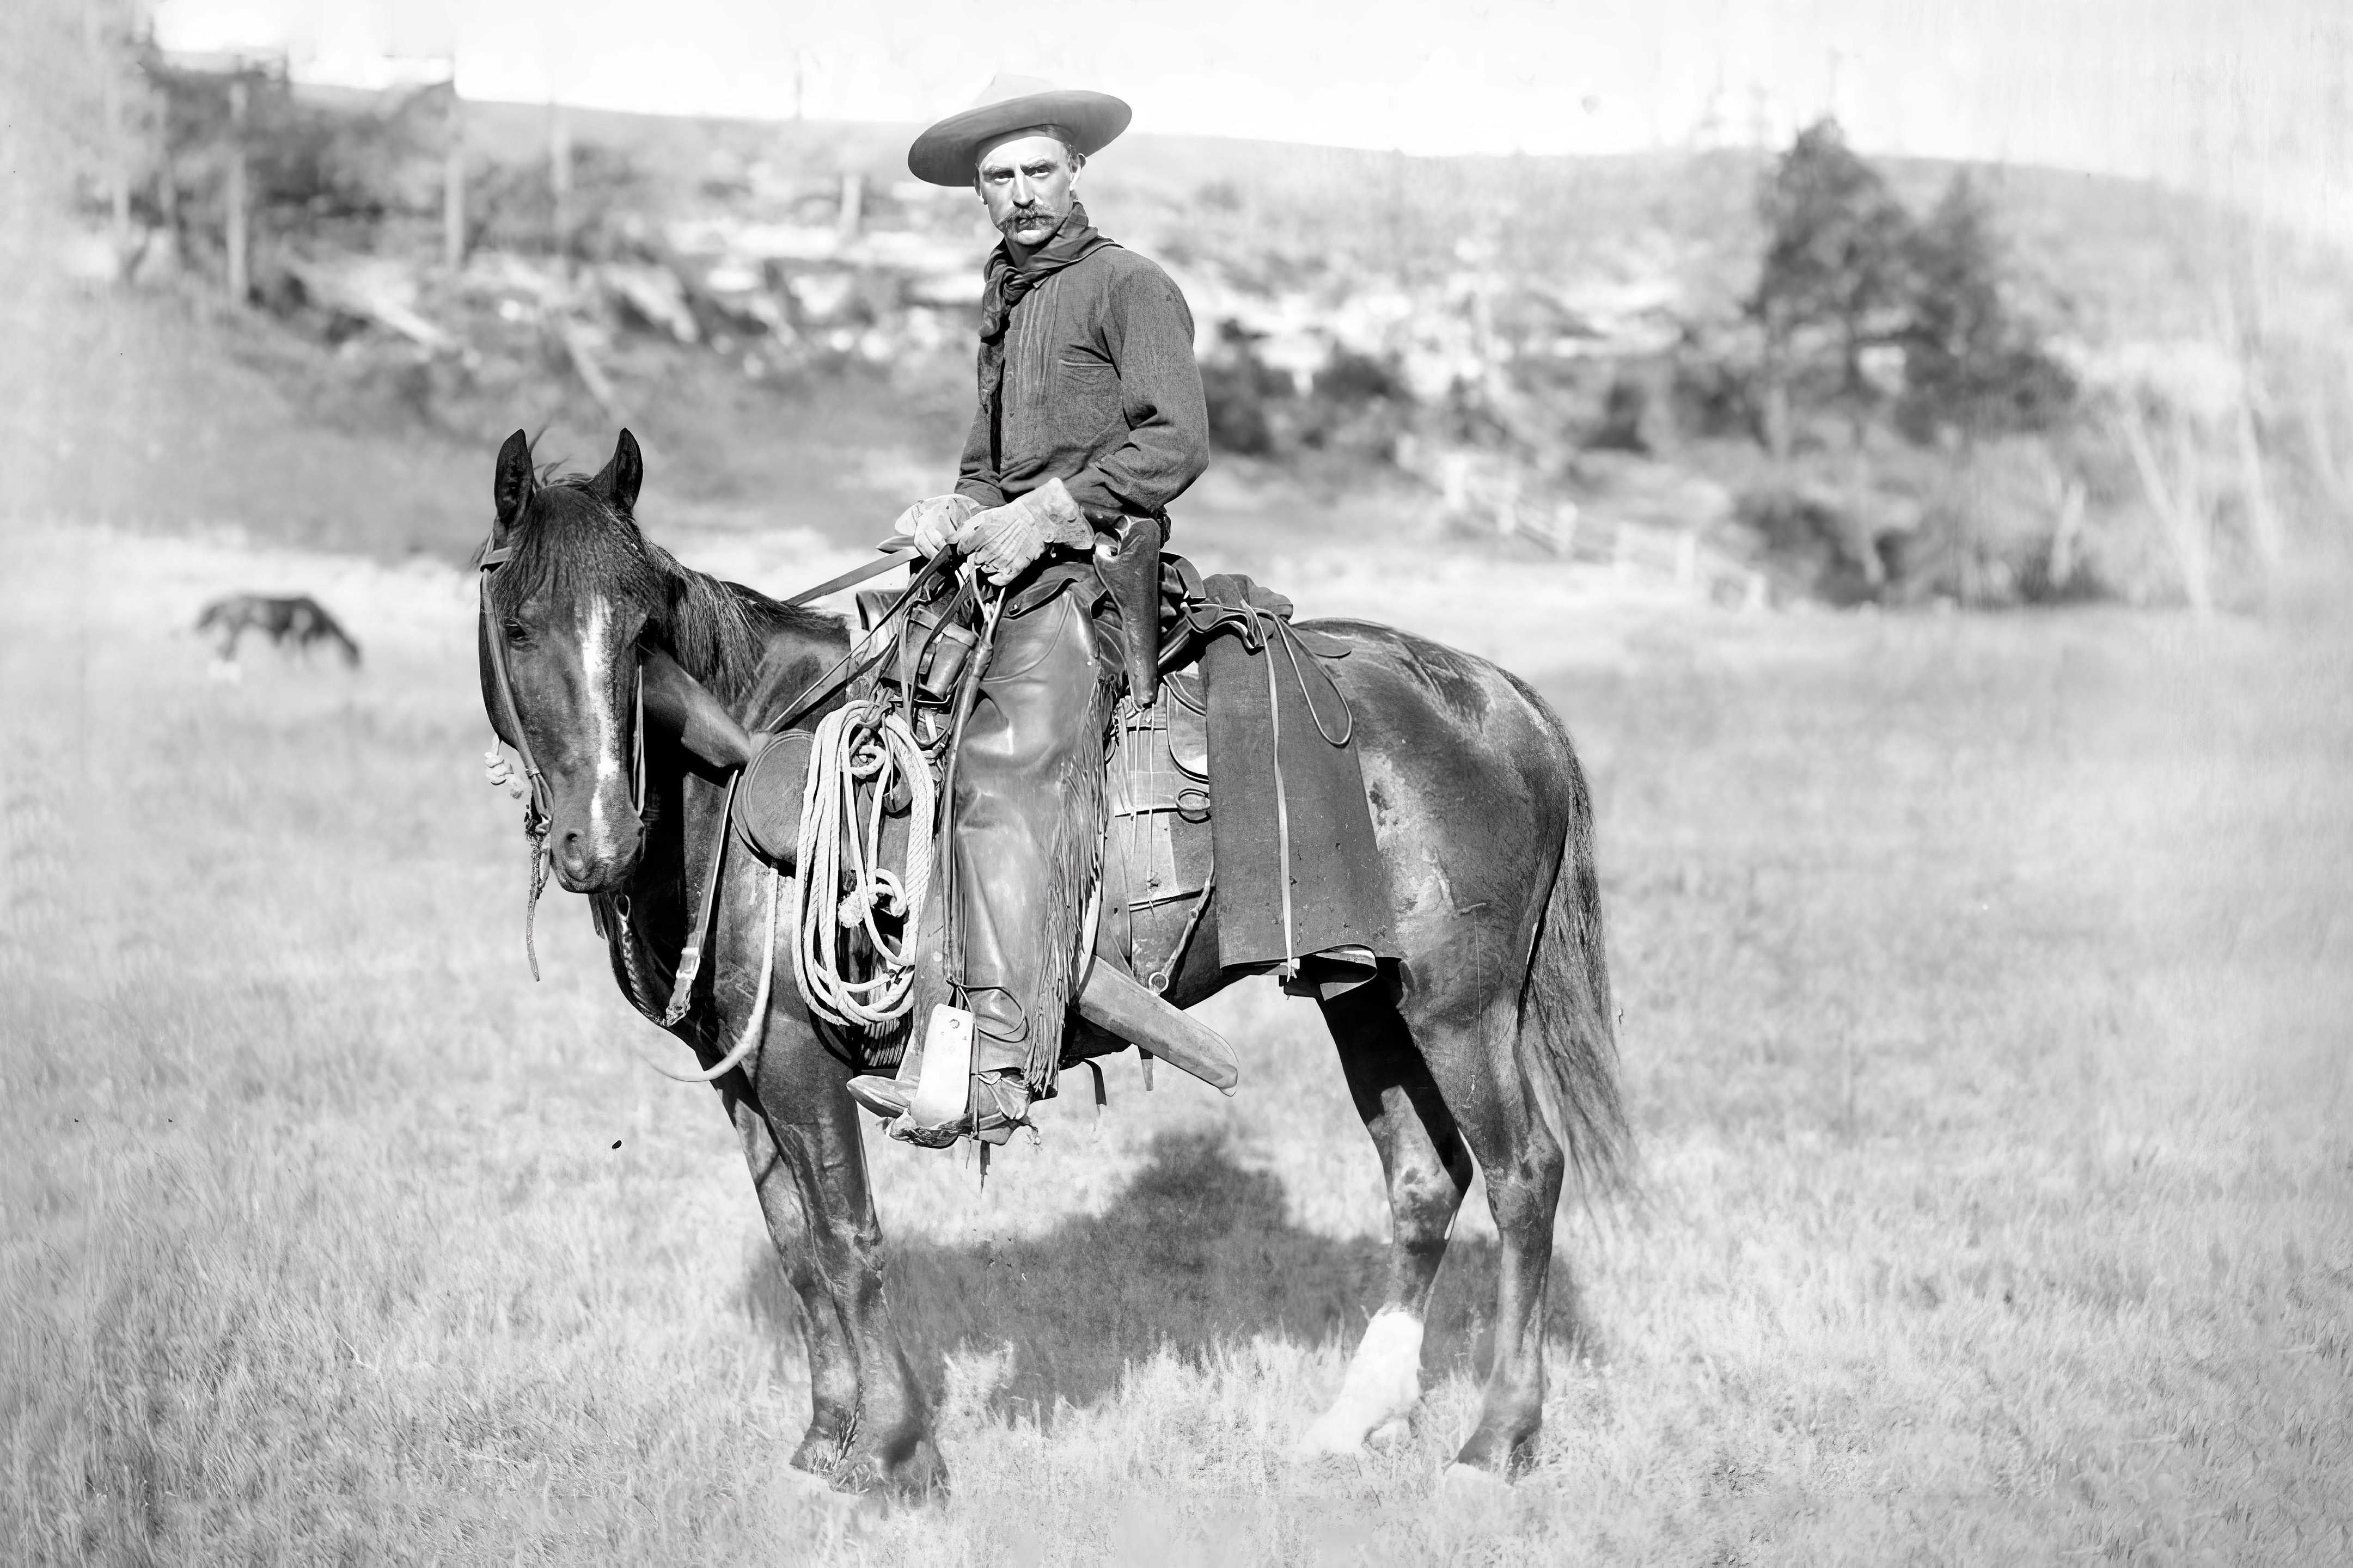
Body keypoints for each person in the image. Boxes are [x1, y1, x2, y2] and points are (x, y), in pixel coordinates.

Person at [846, 75, 1211, 1144]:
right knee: (876, 708)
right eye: (998, 179)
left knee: (1005, 772)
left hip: (1094, 578)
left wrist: (1048, 511)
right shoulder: (1004, 298)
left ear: (1076, 172)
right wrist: (948, 509)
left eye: (1037, 171)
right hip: (1008, 571)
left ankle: (998, 1064)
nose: (1019, 194)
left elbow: (1174, 443)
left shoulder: (1127, 287)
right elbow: (983, 466)